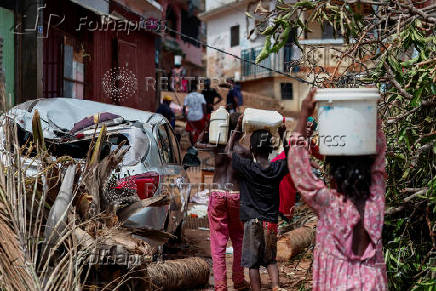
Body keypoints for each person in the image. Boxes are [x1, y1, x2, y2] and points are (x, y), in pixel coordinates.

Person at [288, 88, 388, 290]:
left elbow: (300, 169)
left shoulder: (329, 205)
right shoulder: (375, 202)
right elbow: (379, 162)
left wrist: (304, 113)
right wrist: (370, 116)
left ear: (333, 175)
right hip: (372, 284)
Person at [227, 117, 289, 291]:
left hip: (252, 222)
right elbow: (290, 157)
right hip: (271, 222)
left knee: (252, 264)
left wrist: (237, 129)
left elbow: (228, 152)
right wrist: (283, 136)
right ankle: (276, 286)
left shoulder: (248, 167)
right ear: (271, 149)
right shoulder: (276, 168)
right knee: (270, 259)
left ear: (252, 149)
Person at [196, 112, 250, 291]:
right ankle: (239, 281)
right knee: (239, 239)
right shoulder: (244, 152)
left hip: (218, 194)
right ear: (240, 131)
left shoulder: (217, 146)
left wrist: (207, 126)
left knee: (218, 242)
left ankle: (220, 286)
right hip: (236, 195)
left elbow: (197, 144)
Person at [272, 116, 323, 223]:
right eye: (307, 127)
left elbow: (320, 154)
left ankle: (285, 221)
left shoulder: (309, 141)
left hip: (291, 171)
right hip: (284, 170)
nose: (309, 130)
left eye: (312, 128)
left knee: (288, 199)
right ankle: (282, 224)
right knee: (285, 199)